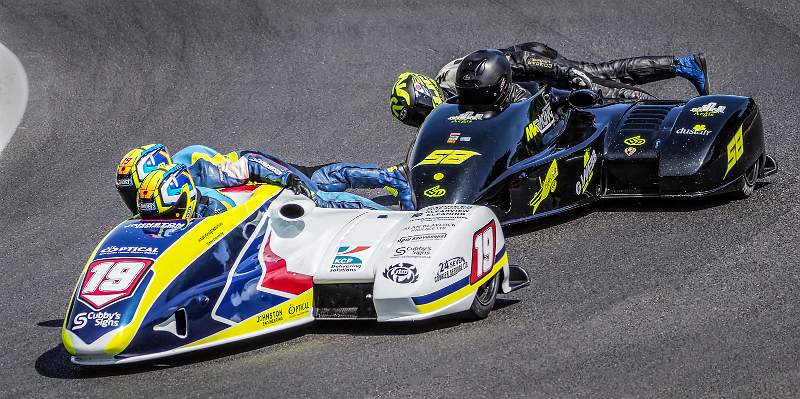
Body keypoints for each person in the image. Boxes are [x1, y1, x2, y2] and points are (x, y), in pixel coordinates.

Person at [390, 42, 710, 127]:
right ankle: (681, 64)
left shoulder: (456, 78)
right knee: (602, 74)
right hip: (521, 73)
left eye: (419, 113)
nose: (421, 120)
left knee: (598, 87)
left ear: (425, 93)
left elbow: (517, 64)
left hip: (531, 65)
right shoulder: (446, 102)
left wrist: (561, 73)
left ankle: (667, 112)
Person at [115, 144, 405, 215]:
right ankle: (390, 176)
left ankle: (392, 186)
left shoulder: (194, 173)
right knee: (320, 176)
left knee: (320, 193)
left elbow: (249, 164)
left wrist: (290, 181)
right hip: (250, 183)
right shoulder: (161, 190)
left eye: (134, 191)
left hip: (261, 176)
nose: (133, 201)